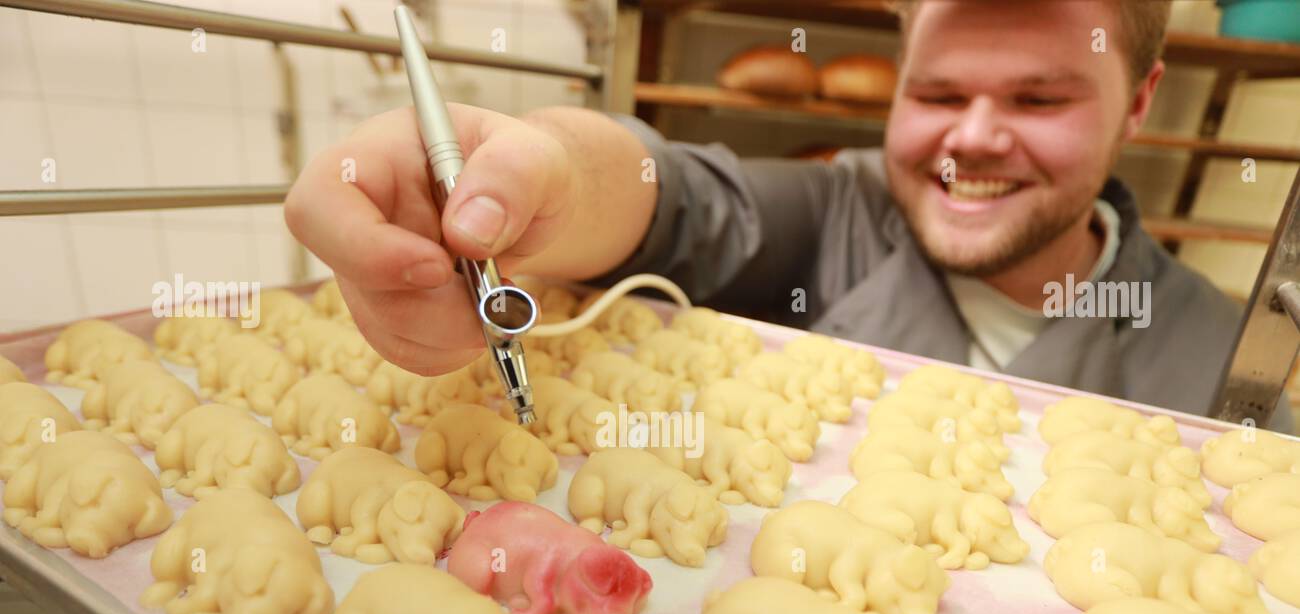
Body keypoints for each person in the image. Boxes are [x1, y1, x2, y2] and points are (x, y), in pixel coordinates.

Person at [284, 0, 1295, 433]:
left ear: (1141, 99)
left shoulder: (1226, 365)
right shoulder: (833, 221)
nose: (974, 138)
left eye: (1039, 100)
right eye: (938, 92)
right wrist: (538, 167)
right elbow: (665, 197)